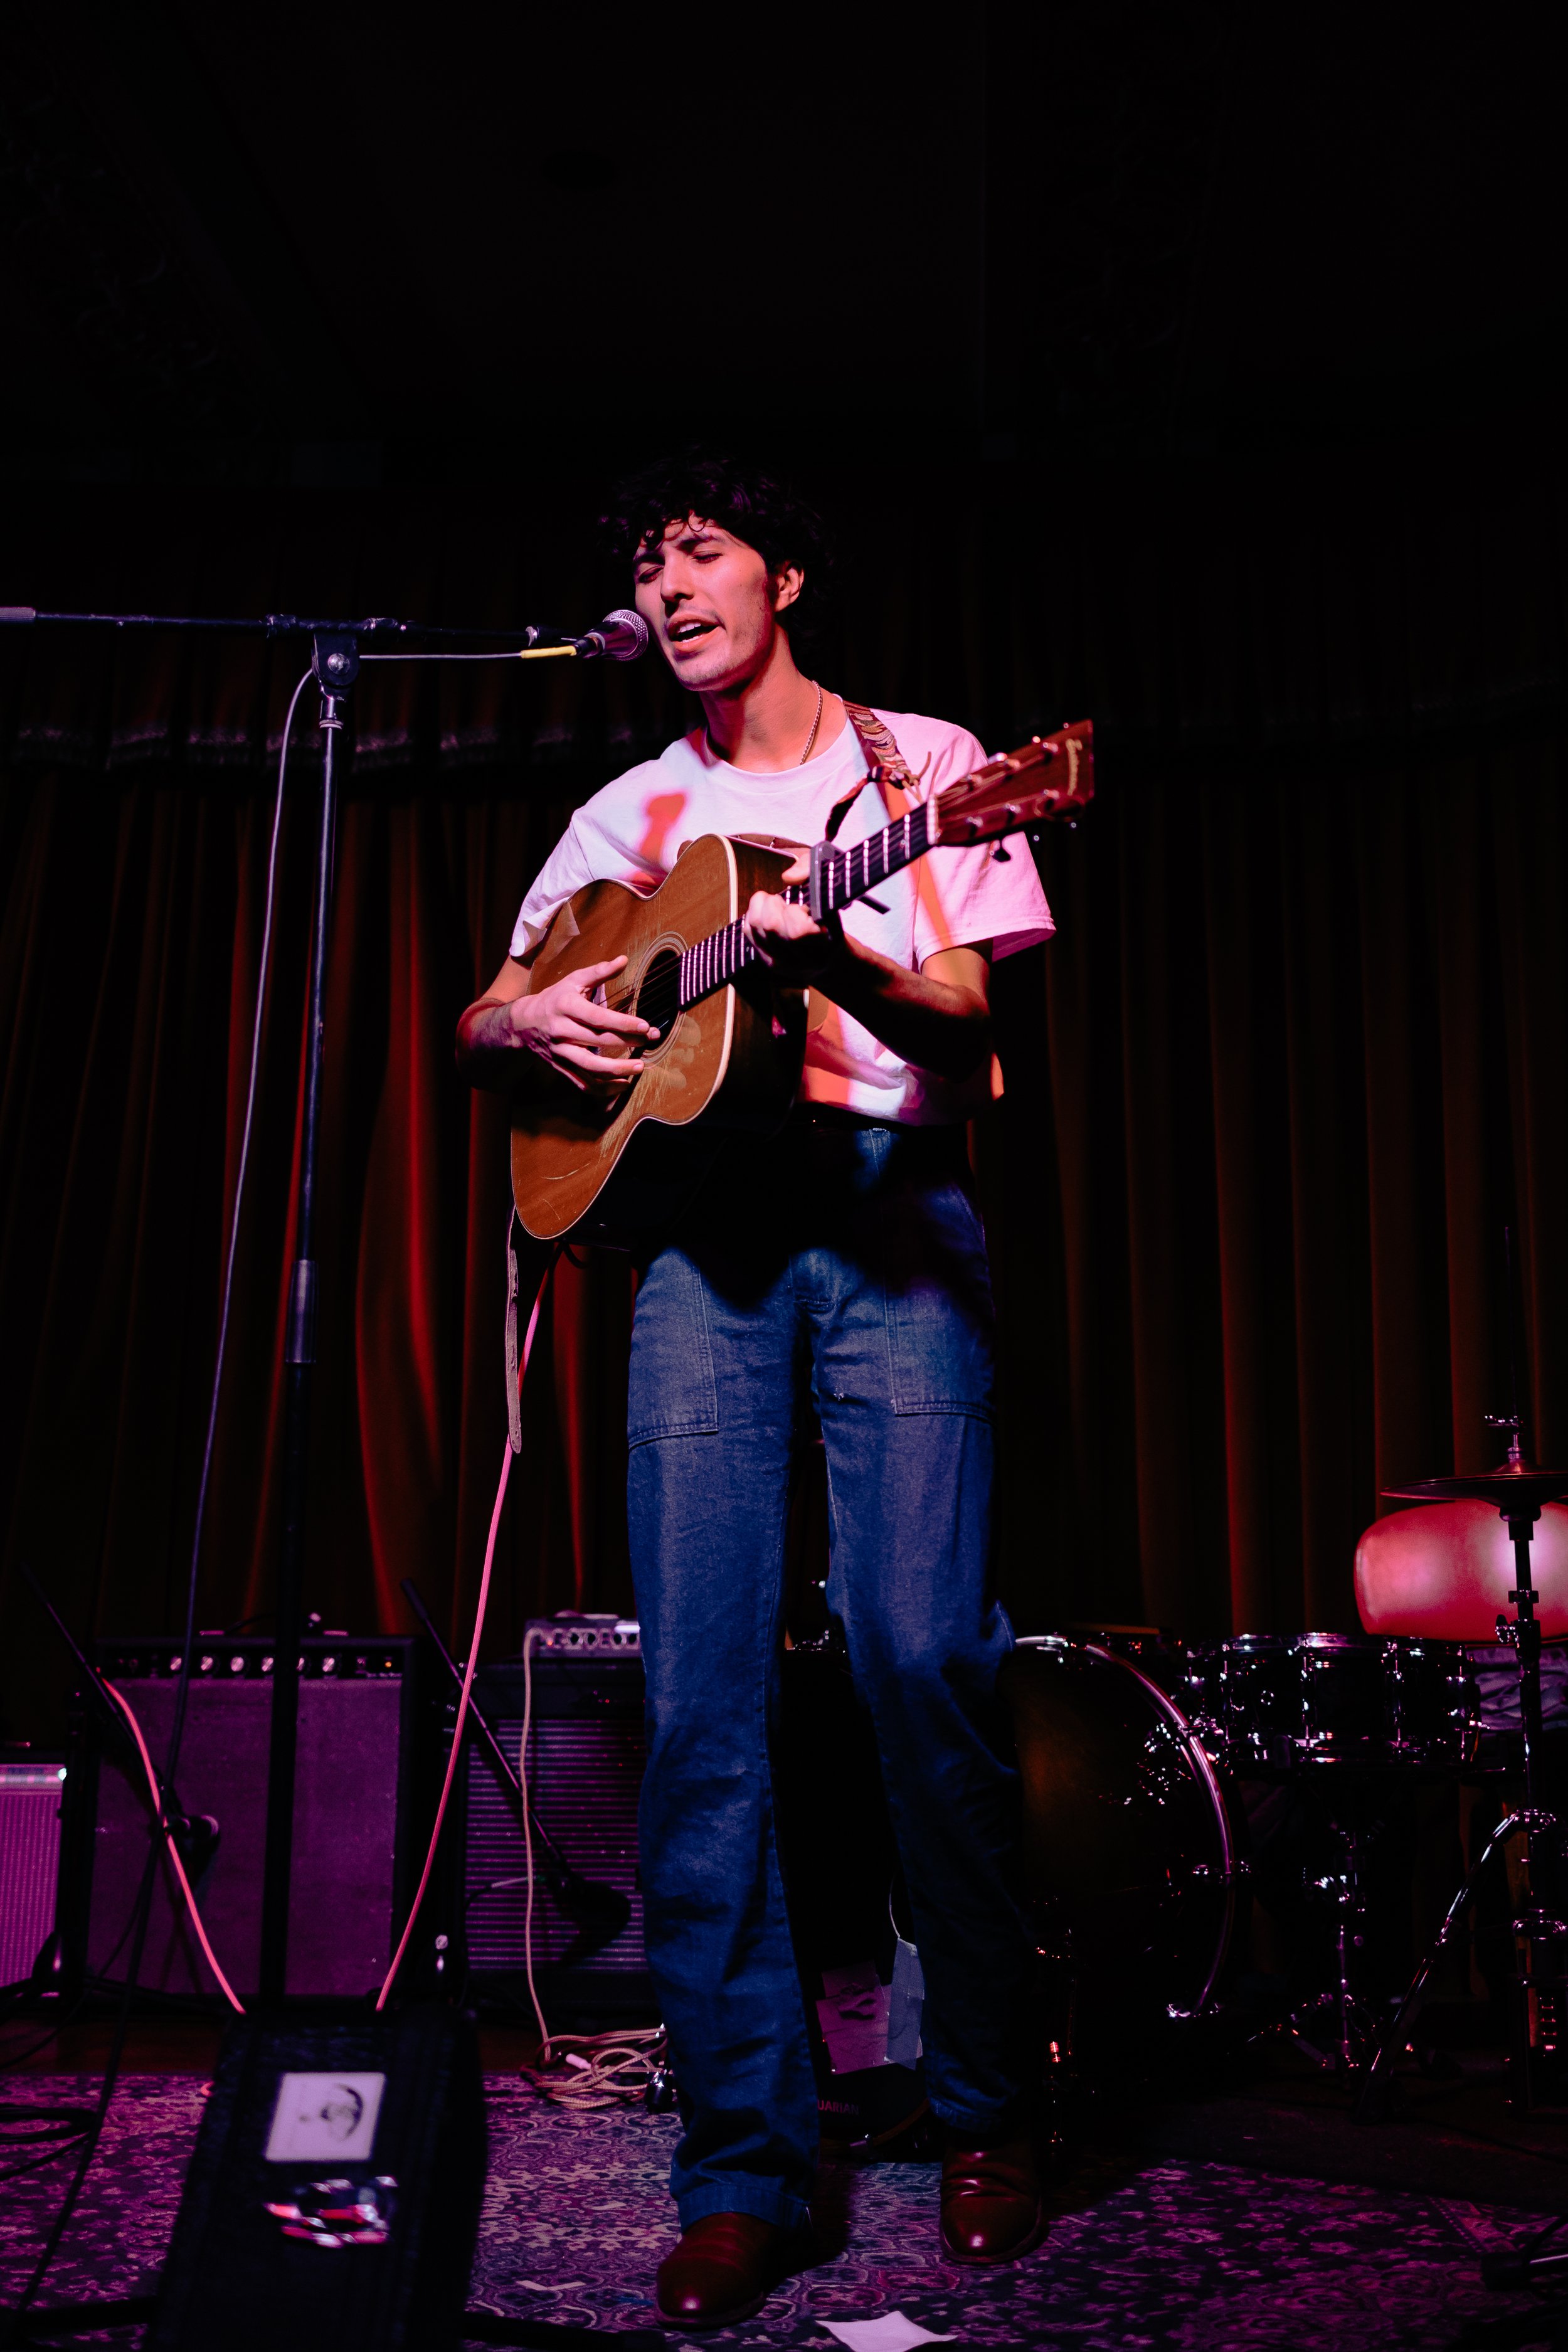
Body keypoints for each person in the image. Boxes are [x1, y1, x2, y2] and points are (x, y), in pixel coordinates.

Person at [457, 455, 1055, 2329]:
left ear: (782, 574)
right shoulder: (628, 812)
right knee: (699, 1704)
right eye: (645, 558)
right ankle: (743, 2166)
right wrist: (527, 1018)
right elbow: (492, 1009)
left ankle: (982, 2104)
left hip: (890, 1232)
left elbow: (967, 1023)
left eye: (699, 546)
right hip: (697, 1261)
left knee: (915, 1663)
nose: (669, 577)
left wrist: (837, 967)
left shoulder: (924, 765)